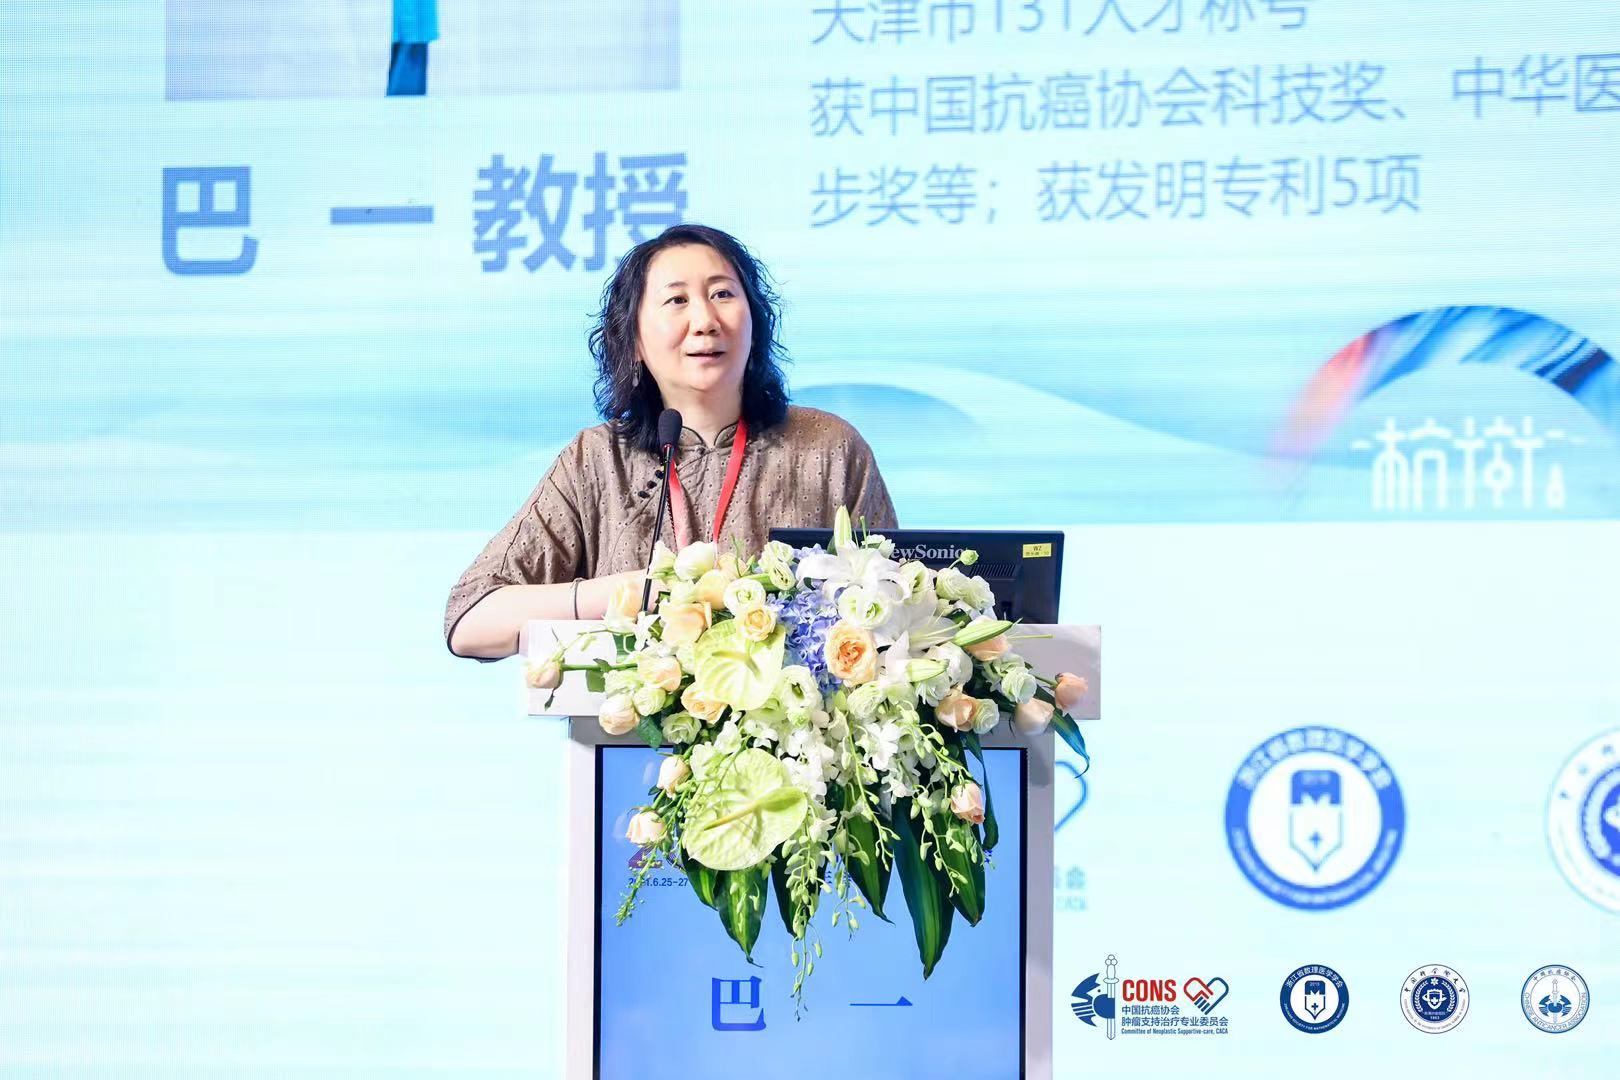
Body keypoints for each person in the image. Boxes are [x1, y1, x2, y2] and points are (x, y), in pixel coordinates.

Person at [444, 223, 897, 659]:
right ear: (635, 341)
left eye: (722, 294)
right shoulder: (597, 460)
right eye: (677, 300)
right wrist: (624, 593)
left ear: (755, 322)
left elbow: (900, 612)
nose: (705, 320)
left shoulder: (829, 447)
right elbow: (469, 620)